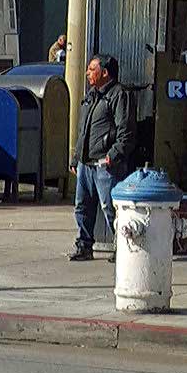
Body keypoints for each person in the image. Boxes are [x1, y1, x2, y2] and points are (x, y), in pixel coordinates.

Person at [72, 53, 134, 261]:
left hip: (105, 165)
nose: (88, 73)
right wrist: (76, 157)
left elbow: (126, 131)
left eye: (92, 69)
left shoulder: (119, 95)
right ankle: (84, 246)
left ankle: (122, 247)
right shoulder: (91, 95)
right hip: (86, 163)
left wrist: (113, 155)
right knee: (82, 207)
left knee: (111, 208)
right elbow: (83, 129)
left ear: (105, 72)